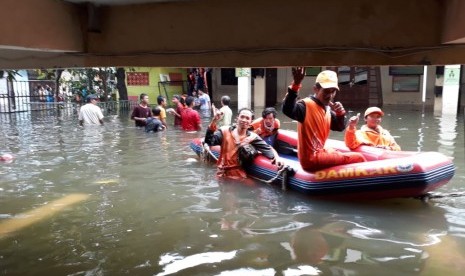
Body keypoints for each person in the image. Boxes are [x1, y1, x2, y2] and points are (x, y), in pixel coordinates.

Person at [282, 68, 366, 171]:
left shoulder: (327, 109)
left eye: (333, 91)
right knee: (359, 157)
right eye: (326, 91)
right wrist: (296, 84)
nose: (330, 96)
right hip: (311, 158)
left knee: (335, 152)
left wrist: (340, 113)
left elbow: (339, 127)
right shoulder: (305, 105)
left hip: (320, 153)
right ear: (316, 89)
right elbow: (287, 109)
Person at [204, 107, 283, 179]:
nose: (244, 120)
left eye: (247, 118)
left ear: (250, 122)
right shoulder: (224, 131)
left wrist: (277, 158)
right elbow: (209, 141)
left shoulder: (253, 137)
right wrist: (214, 121)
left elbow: (268, 149)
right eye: (242, 117)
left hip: (239, 173)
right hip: (222, 173)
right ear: (237, 118)